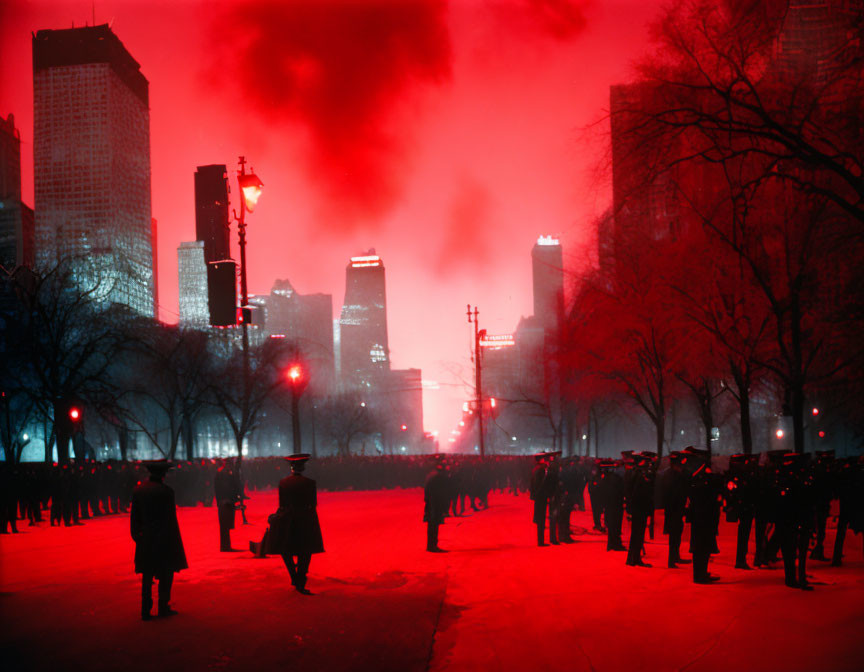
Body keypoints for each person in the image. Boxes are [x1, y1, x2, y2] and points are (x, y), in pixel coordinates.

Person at [130, 460, 188, 620]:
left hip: (146, 539)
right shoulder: (167, 492)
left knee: (147, 576)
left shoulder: (139, 490)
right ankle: (163, 606)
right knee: (166, 574)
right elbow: (170, 520)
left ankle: (145, 610)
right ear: (163, 475)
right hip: (164, 539)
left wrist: (137, 537)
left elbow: (135, 518)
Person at [270, 454, 324, 594]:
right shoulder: (310, 483)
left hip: (288, 520)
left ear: (291, 468)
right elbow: (313, 504)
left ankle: (293, 576)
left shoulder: (283, 483)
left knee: (286, 550)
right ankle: (300, 579)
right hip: (305, 520)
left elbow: (282, 504)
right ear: (303, 467)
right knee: (305, 552)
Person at [424, 457, 449, 552]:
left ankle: (431, 545)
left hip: (430, 503)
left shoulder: (431, 475)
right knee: (434, 525)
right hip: (434, 504)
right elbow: (438, 492)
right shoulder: (437, 476)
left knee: (432, 526)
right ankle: (432, 545)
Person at [214, 459, 238, 551]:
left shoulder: (223, 473)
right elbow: (225, 488)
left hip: (224, 501)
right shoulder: (224, 474)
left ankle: (226, 545)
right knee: (225, 526)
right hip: (225, 502)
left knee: (225, 526)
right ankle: (225, 546)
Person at [529, 453, 549, 546]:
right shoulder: (540, 470)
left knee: (540, 519)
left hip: (538, 497)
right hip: (541, 497)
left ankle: (540, 540)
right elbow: (540, 484)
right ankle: (541, 541)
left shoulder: (535, 469)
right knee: (541, 519)